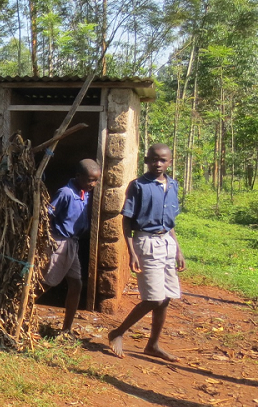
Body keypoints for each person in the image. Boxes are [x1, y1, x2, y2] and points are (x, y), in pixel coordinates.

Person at [108, 144, 186, 362]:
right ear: (147, 160)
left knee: (166, 297)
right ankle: (117, 332)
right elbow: (127, 221)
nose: (158, 164)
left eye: (162, 160)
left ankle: (153, 345)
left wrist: (178, 249)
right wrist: (132, 253)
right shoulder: (138, 186)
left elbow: (170, 223)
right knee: (153, 298)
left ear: (170, 161)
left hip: (167, 243)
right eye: (153, 159)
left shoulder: (173, 185)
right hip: (146, 243)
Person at [43, 159, 101, 335]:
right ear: (78, 176)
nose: (93, 184)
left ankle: (66, 328)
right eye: (89, 180)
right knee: (45, 282)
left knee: (76, 284)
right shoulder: (66, 193)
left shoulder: (85, 193)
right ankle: (20, 313)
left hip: (72, 244)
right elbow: (48, 213)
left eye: (95, 180)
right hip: (60, 242)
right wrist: (48, 238)